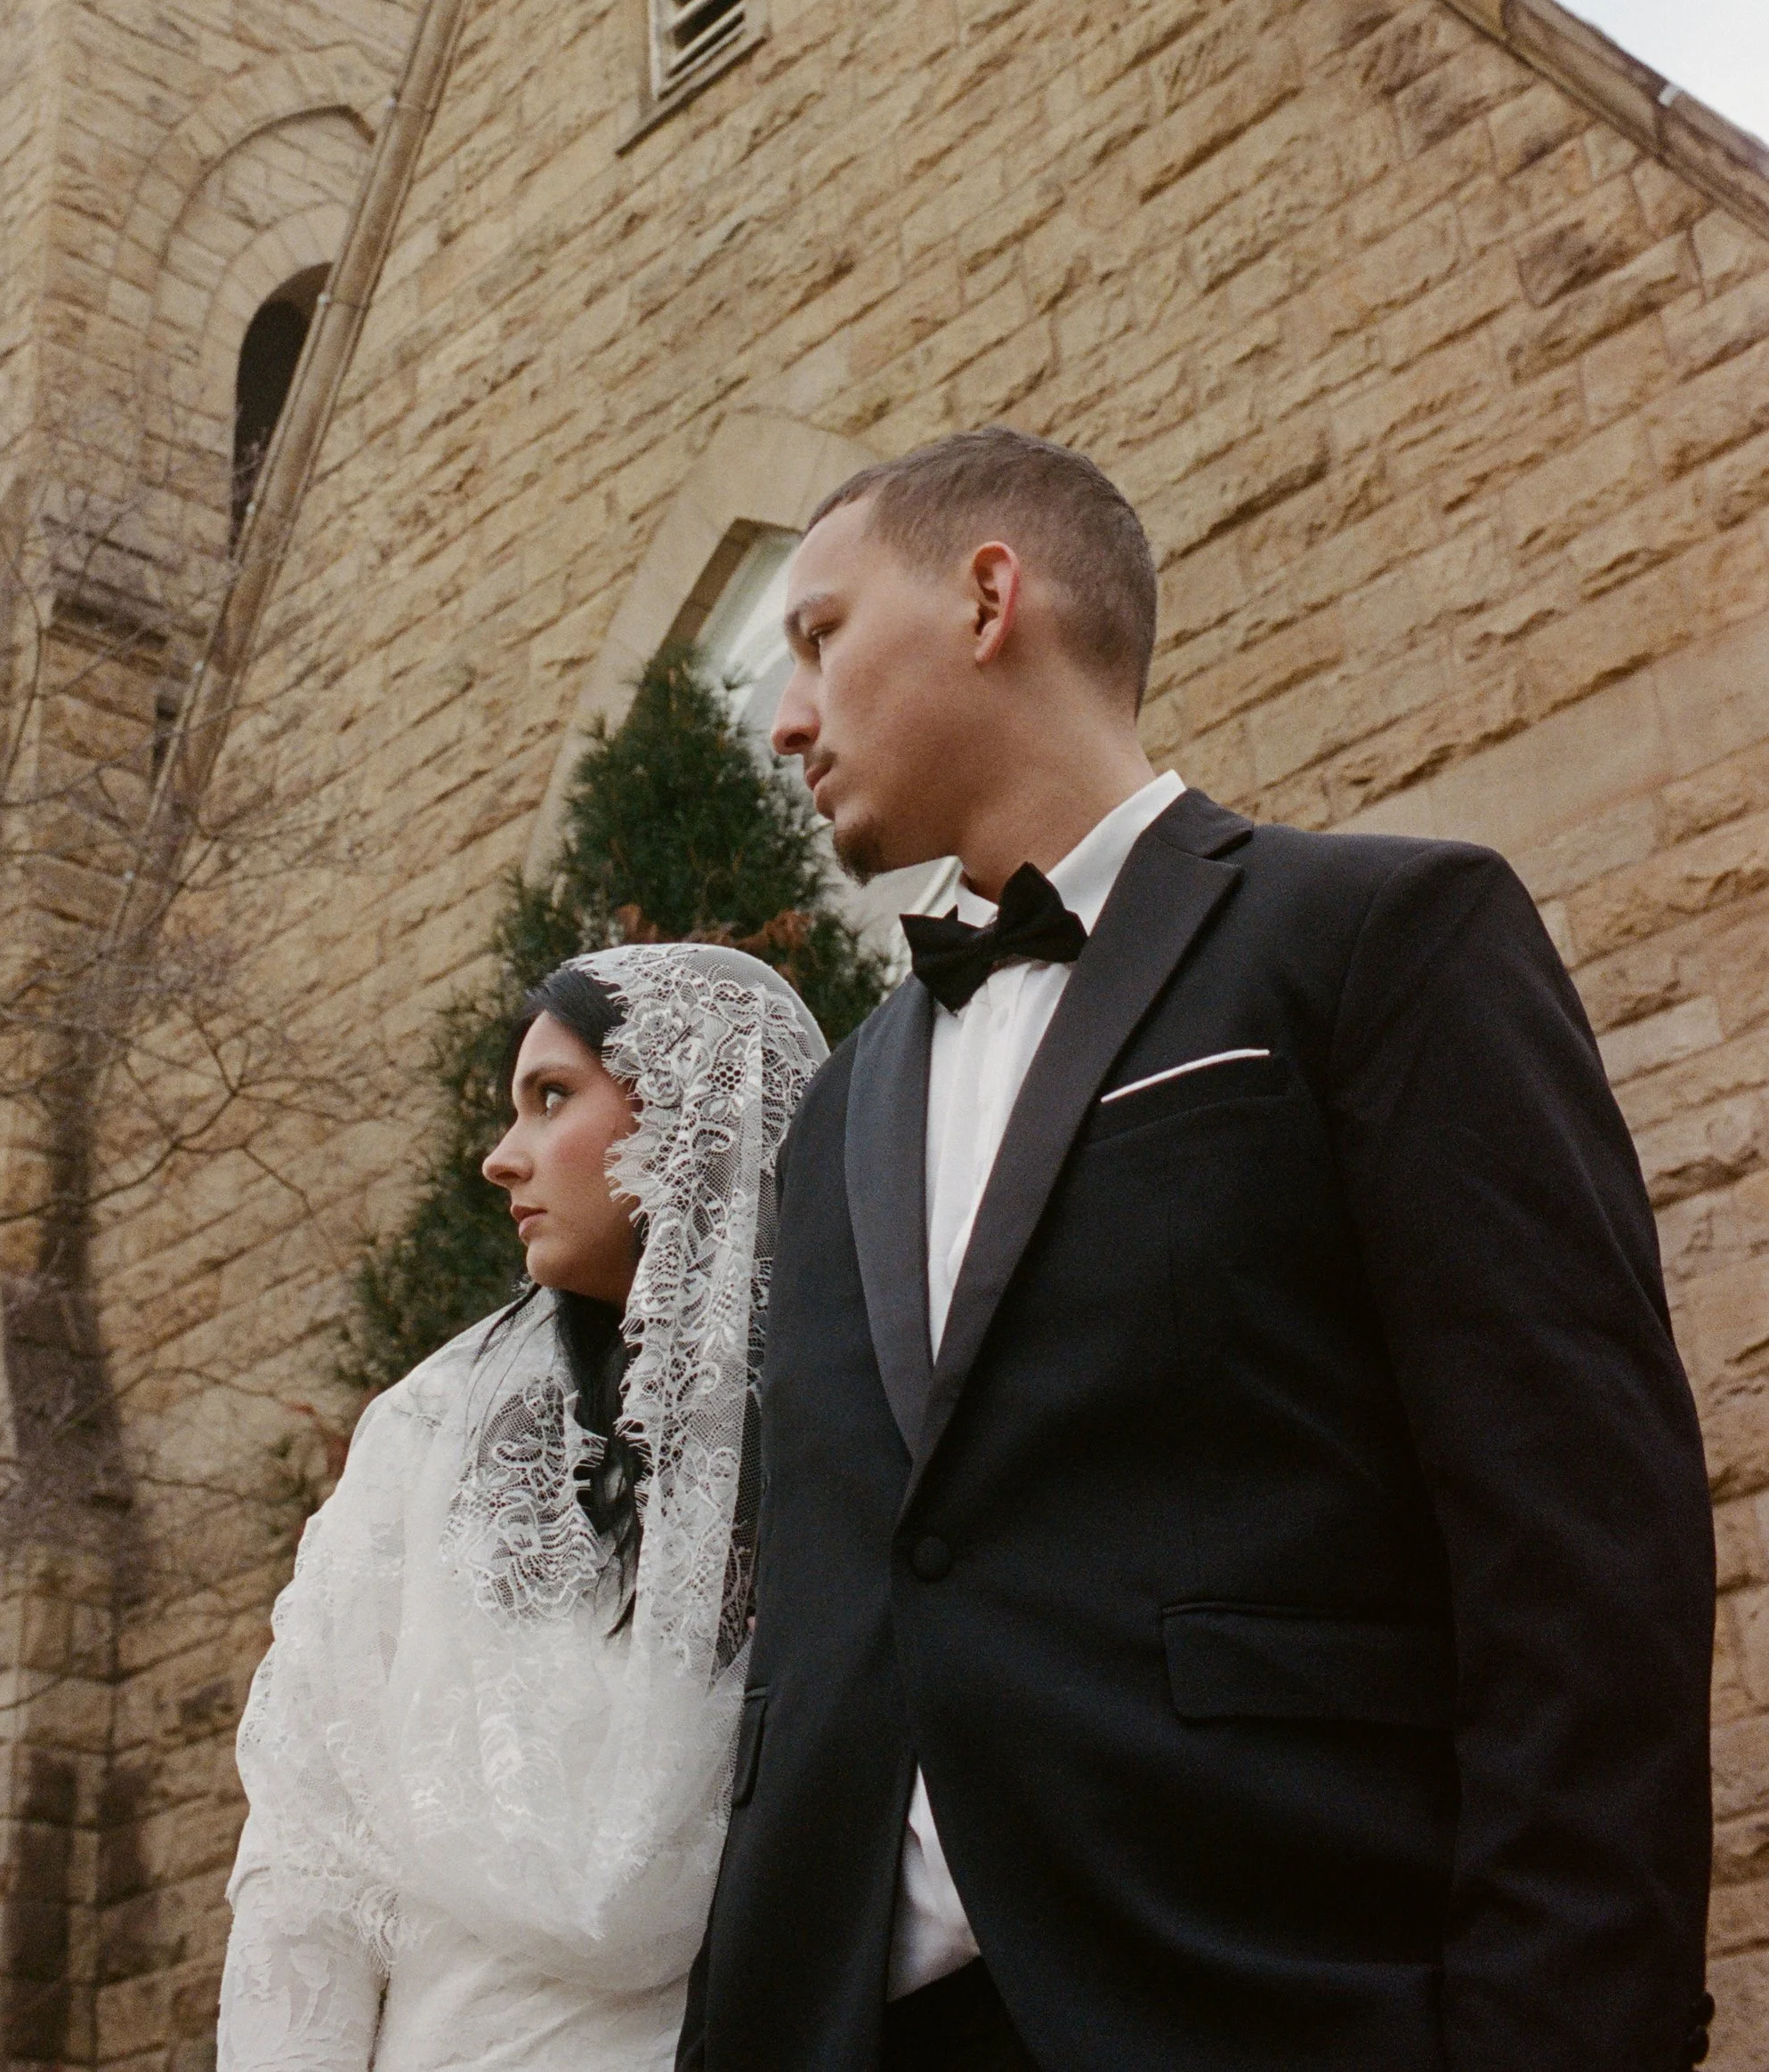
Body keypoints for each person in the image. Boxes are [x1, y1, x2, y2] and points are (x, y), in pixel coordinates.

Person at [683, 425, 1716, 2072]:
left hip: (1276, 2002)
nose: (789, 715)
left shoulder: (1374, 940)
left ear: (989, 594)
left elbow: (1583, 1558)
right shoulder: (836, 1119)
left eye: (817, 635)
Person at [217, 939, 827, 2072]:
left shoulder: (853, 1423)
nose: (502, 1159)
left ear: (693, 1110)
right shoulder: (428, 1435)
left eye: (552, 1097)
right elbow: (310, 1850)